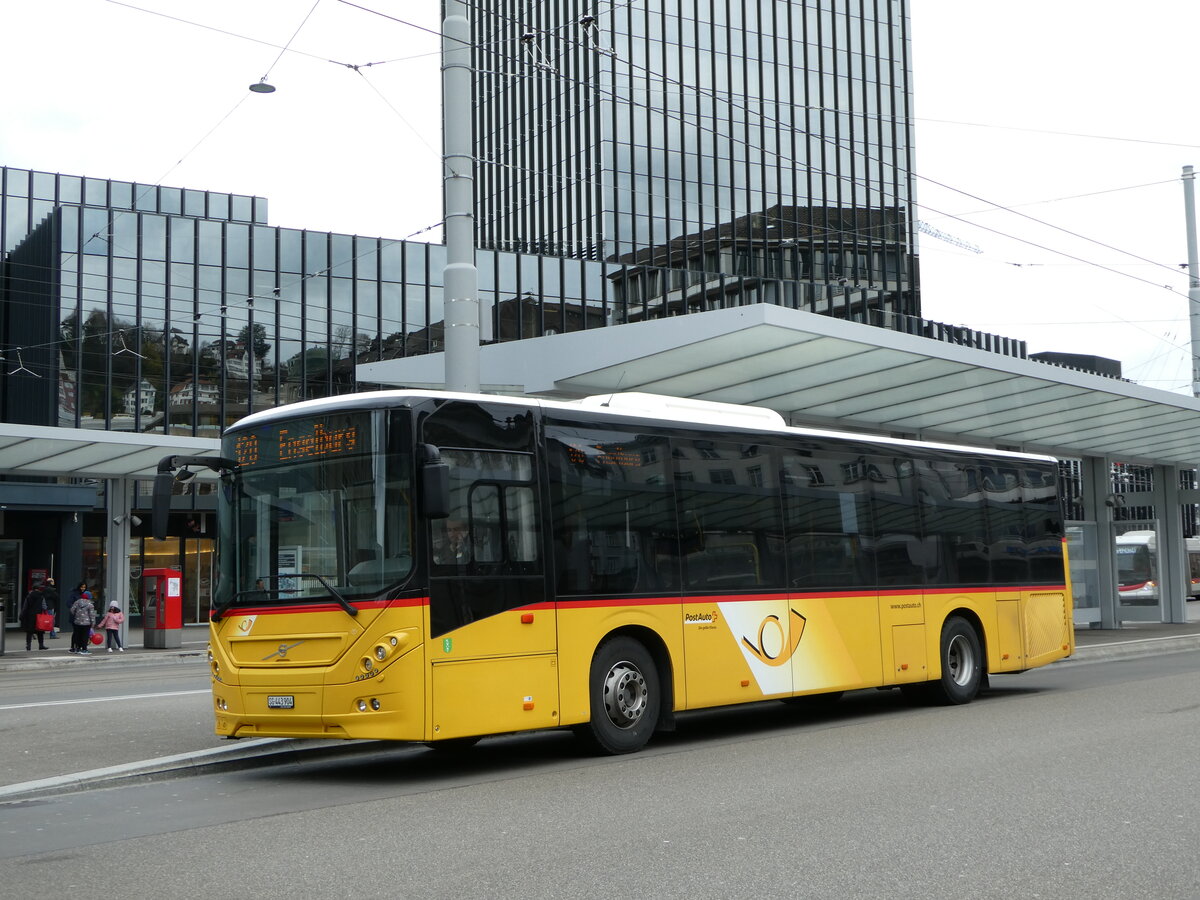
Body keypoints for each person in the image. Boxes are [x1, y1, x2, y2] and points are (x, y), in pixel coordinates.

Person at [68, 582, 97, 655]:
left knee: (77, 634)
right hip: (86, 622)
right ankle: (84, 649)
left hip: (77, 621)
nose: (83, 588)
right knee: (84, 635)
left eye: (84, 587)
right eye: (82, 587)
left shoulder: (77, 602)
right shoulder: (90, 604)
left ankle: (76, 648)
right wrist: (93, 623)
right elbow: (92, 614)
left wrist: (77, 614)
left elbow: (72, 609)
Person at [19, 582, 49, 651]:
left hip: (30, 616)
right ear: (39, 588)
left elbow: (25, 607)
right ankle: (41, 645)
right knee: (40, 631)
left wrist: (22, 615)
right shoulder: (41, 596)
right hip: (39, 616)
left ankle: (28, 645)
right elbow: (44, 607)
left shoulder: (29, 596)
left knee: (29, 631)